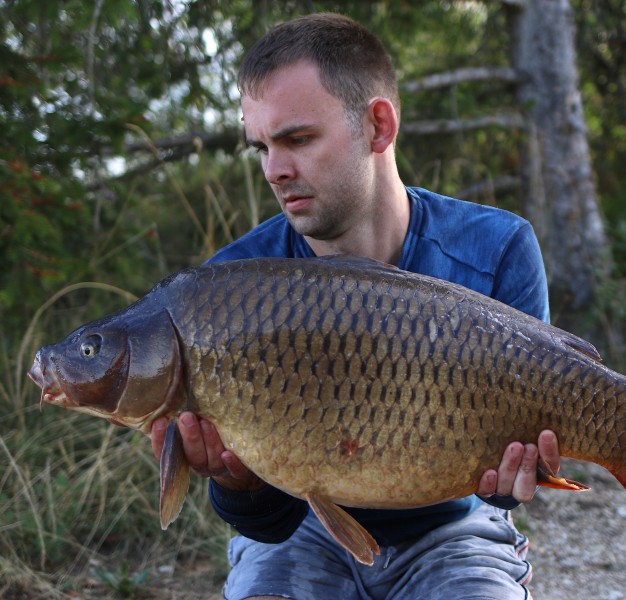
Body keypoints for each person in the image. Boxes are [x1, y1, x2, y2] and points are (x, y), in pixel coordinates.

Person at [150, 12, 560, 600]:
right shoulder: (227, 289)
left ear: (378, 126)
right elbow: (263, 523)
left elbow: (500, 490)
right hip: (300, 533)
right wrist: (236, 483)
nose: (274, 169)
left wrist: (518, 474)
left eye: (297, 139)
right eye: (260, 147)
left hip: (452, 529)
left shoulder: (497, 248)